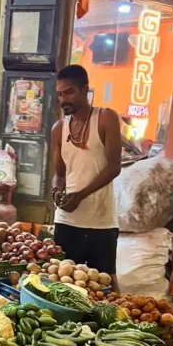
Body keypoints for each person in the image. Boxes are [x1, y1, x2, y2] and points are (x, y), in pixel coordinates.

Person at [51, 64, 122, 291]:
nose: (64, 99)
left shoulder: (105, 118)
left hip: (100, 221)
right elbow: (59, 174)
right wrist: (57, 190)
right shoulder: (58, 129)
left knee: (106, 284)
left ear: (85, 89)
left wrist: (80, 195)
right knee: (64, 285)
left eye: (69, 92)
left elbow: (114, 168)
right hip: (66, 220)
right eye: (60, 94)